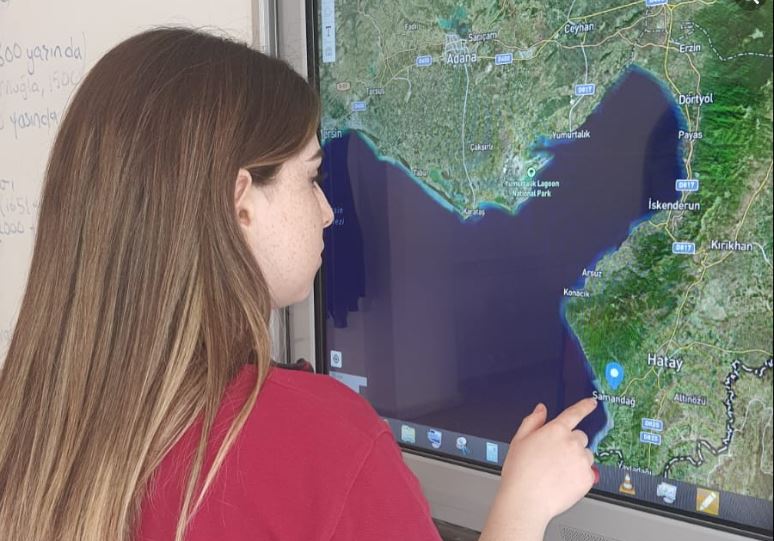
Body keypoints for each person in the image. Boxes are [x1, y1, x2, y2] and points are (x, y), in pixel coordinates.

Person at [0, 28, 597, 541]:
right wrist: (523, 506)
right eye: (311, 178)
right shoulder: (321, 445)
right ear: (240, 204)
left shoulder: (31, 424)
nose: (328, 212)